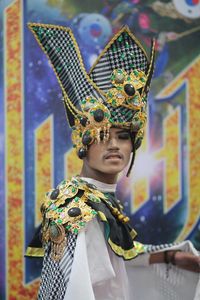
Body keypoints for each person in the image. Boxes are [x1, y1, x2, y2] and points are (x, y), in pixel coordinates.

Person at [26, 23, 200, 300]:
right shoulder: (74, 207)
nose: (114, 145)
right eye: (102, 135)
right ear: (84, 141)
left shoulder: (98, 200)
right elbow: (73, 290)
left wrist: (174, 258)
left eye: (123, 136)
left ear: (135, 143)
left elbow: (119, 262)